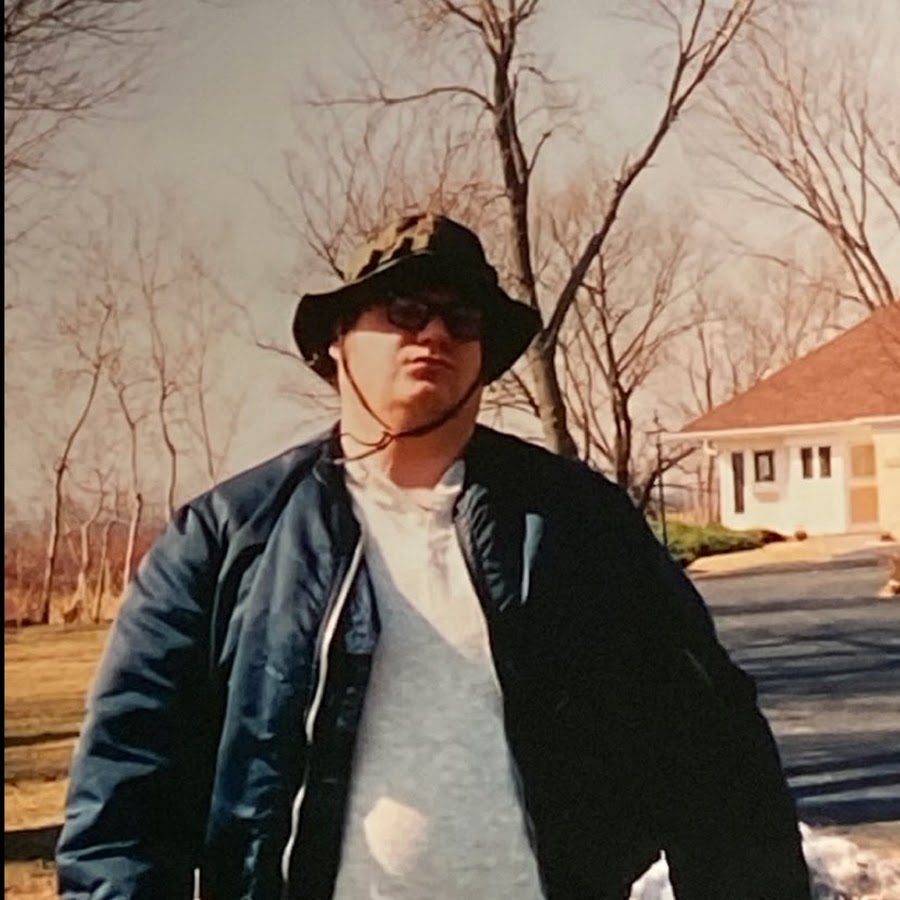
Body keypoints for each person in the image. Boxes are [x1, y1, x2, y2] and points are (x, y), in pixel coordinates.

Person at [56, 212, 811, 899]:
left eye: (462, 317)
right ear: (337, 339)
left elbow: (714, 753)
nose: (437, 334)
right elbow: (128, 788)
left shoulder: (578, 526)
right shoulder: (228, 537)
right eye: (405, 310)